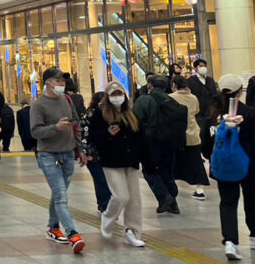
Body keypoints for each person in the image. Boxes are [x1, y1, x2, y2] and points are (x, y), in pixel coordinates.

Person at [213, 74, 255, 261]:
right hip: (249, 165)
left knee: (228, 202)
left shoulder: (214, 114)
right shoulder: (250, 113)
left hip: (224, 167)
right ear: (240, 91)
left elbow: (207, 141)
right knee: (253, 200)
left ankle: (231, 241)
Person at [30, 67, 87, 253]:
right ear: (47, 83)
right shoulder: (38, 105)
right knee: (61, 195)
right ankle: (73, 234)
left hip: (68, 152)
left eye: (62, 82)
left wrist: (80, 149)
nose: (61, 85)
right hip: (47, 154)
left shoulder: (67, 100)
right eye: (57, 81)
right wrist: (56, 127)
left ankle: (53, 227)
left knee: (58, 192)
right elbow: (35, 132)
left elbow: (76, 124)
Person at [86, 82, 146, 247]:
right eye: (113, 94)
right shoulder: (100, 115)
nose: (117, 97)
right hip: (111, 162)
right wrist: (107, 134)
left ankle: (132, 231)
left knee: (134, 199)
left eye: (119, 93)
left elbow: (139, 138)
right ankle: (108, 217)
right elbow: (93, 138)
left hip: (131, 162)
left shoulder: (131, 114)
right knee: (121, 196)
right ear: (107, 96)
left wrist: (146, 160)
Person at [134, 75, 184, 215]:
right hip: (170, 141)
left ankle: (164, 197)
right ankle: (173, 204)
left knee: (149, 171)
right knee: (167, 172)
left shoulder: (145, 100)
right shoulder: (171, 100)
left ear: (150, 86)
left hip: (151, 142)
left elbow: (135, 120)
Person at [169, 75, 209, 201]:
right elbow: (196, 111)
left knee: (174, 163)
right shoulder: (193, 98)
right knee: (196, 162)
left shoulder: (171, 98)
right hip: (193, 134)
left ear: (174, 85)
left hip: (177, 136)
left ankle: (172, 189)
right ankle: (199, 189)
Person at [79, 91, 112, 214]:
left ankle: (103, 204)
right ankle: (105, 205)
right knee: (101, 180)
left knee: (103, 180)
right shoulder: (89, 116)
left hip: (106, 154)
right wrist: (87, 153)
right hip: (94, 154)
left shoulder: (108, 115)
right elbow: (85, 136)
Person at [188, 59, 219, 157]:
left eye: (205, 66)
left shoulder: (210, 80)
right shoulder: (190, 81)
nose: (203, 68)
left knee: (211, 135)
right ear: (195, 68)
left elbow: (215, 94)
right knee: (201, 135)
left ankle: (210, 153)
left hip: (211, 113)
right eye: (201, 66)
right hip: (199, 113)